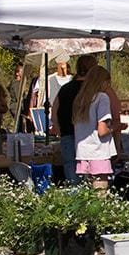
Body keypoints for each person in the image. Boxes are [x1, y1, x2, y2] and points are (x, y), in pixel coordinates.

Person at [51, 54, 97, 184]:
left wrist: (61, 132)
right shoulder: (93, 90)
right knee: (89, 177)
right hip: (88, 137)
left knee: (72, 176)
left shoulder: (65, 89)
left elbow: (54, 113)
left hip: (67, 135)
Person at [71, 65, 116, 189]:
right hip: (99, 152)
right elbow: (102, 130)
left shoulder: (80, 100)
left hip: (83, 152)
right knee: (100, 196)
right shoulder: (102, 98)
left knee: (88, 196)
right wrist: (115, 127)